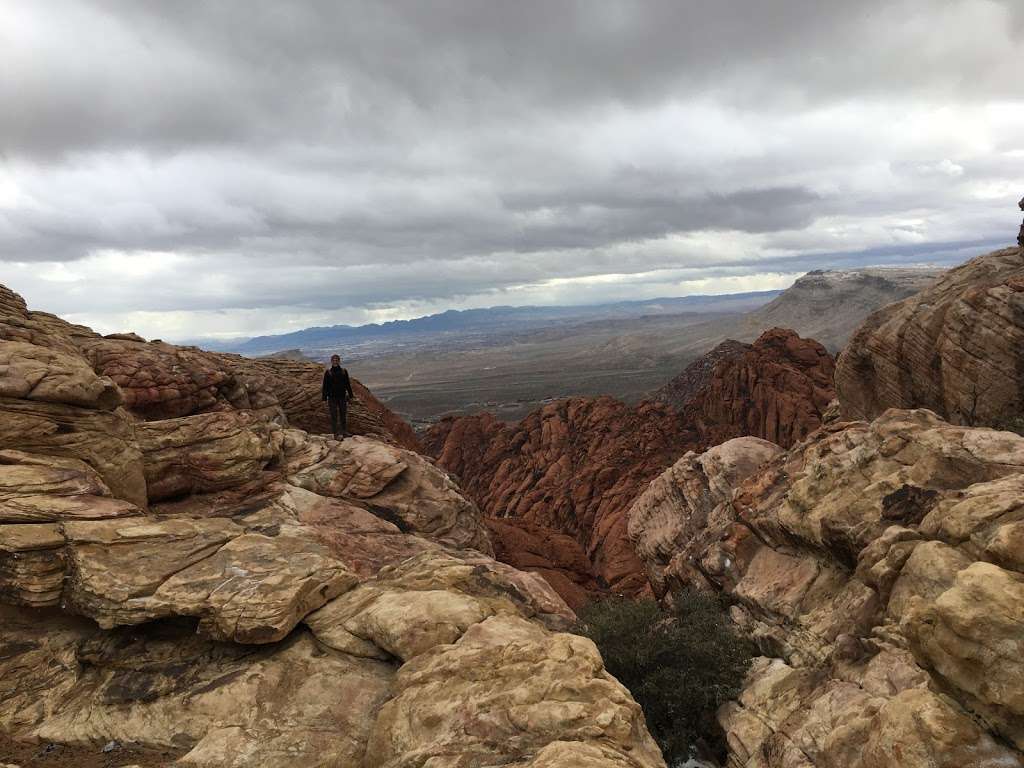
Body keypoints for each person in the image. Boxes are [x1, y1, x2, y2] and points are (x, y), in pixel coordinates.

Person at [322, 354, 355, 439]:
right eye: (333, 360)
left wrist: (351, 395)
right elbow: (325, 386)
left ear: (339, 361)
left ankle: (344, 432)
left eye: (336, 360)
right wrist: (324, 398)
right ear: (331, 361)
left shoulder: (344, 371)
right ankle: (336, 434)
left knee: (343, 415)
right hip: (332, 398)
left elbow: (347, 384)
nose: (335, 362)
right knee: (334, 416)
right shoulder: (328, 372)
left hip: (342, 397)